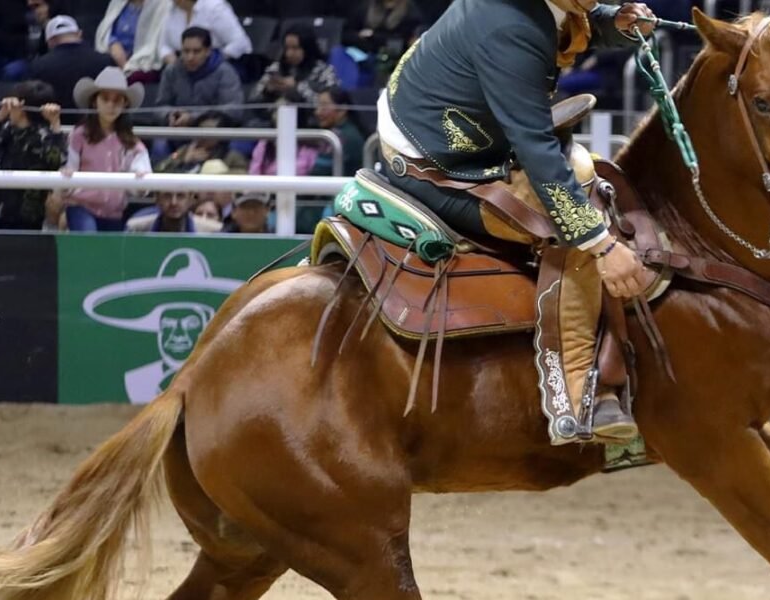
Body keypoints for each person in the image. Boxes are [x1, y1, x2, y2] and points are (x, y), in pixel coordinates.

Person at [378, 0, 655, 442]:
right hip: (440, 166)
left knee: (582, 182)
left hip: (438, 129)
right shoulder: (510, 27)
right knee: (575, 197)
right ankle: (578, 386)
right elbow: (536, 151)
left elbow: (567, 20)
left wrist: (611, 24)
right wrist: (600, 246)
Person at [62, 66, 151, 232]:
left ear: (124, 104)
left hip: (114, 212)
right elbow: (70, 166)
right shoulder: (79, 135)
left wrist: (139, 178)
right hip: (81, 206)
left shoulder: (132, 142)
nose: (111, 105)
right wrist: (66, 175)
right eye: (105, 98)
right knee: (89, 243)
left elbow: (142, 184)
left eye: (117, 100)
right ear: (95, 101)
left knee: (110, 255)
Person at [0, 80, 67, 230]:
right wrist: (0, 115)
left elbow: (57, 160)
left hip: (29, 213)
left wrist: (55, 125)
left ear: (22, 107)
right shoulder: (8, 129)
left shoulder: (44, 135)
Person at [28, 16, 115, 121]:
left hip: (54, 127)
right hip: (96, 128)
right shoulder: (105, 61)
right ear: (79, 34)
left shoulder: (38, 66)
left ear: (49, 41)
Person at [156, 26, 244, 127]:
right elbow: (160, 106)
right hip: (176, 129)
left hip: (212, 133)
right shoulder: (171, 71)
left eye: (196, 51)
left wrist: (194, 117)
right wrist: (170, 115)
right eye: (186, 51)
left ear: (208, 51)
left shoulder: (225, 72)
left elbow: (232, 110)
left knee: (210, 126)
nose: (190, 57)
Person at [251, 25, 340, 117]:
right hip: (275, 121)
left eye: (295, 48)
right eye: (287, 48)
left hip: (311, 123)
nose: (289, 53)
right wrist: (267, 91)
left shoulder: (325, 72)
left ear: (307, 48)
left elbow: (328, 106)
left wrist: (297, 88)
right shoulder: (276, 68)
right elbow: (253, 100)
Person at [95, 0, 171, 82]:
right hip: (112, 56)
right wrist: (112, 43)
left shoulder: (163, 5)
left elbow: (154, 43)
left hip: (143, 61)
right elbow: (105, 31)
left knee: (136, 76)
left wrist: (126, 64)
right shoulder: (117, 2)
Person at [159, 0, 250, 67]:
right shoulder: (171, 10)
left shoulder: (215, 7)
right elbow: (164, 45)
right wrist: (172, 61)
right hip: (183, 64)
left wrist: (213, 60)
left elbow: (240, 42)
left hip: (218, 64)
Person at [125, 190, 222, 232]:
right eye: (167, 195)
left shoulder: (212, 231)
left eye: (180, 196)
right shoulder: (136, 229)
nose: (173, 202)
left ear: (191, 200)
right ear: (157, 199)